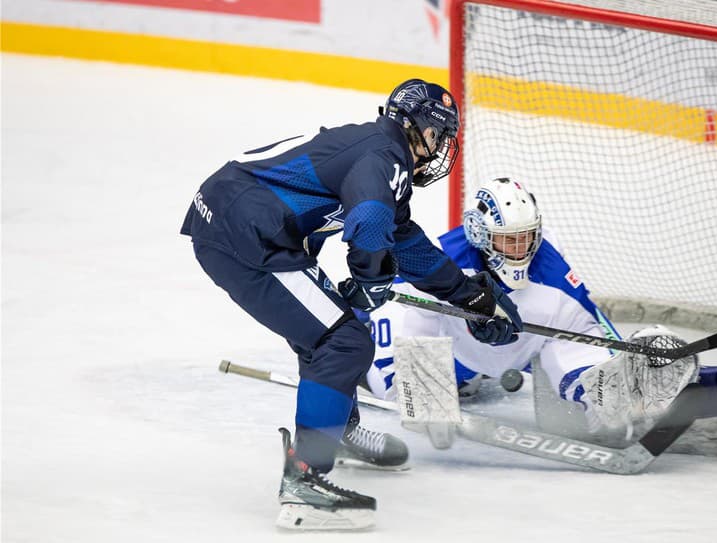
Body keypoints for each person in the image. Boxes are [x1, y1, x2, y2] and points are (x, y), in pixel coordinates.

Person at [180, 79, 522, 531]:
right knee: (342, 343)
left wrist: (469, 296)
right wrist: (370, 278)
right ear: (414, 127)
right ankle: (306, 479)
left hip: (243, 225)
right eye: (437, 136)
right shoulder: (385, 156)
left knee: (326, 334)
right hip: (245, 235)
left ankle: (334, 430)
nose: (439, 150)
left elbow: (404, 242)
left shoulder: (380, 151)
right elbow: (369, 222)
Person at [364, 176, 717, 462]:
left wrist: (634, 370)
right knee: (388, 382)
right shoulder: (439, 259)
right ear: (482, 236)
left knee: (600, 397)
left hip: (526, 349)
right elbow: (403, 313)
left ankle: (709, 386)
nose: (520, 250)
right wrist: (423, 387)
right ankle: (453, 381)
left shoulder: (553, 277)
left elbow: (589, 331)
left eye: (526, 239)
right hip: (457, 351)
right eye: (508, 240)